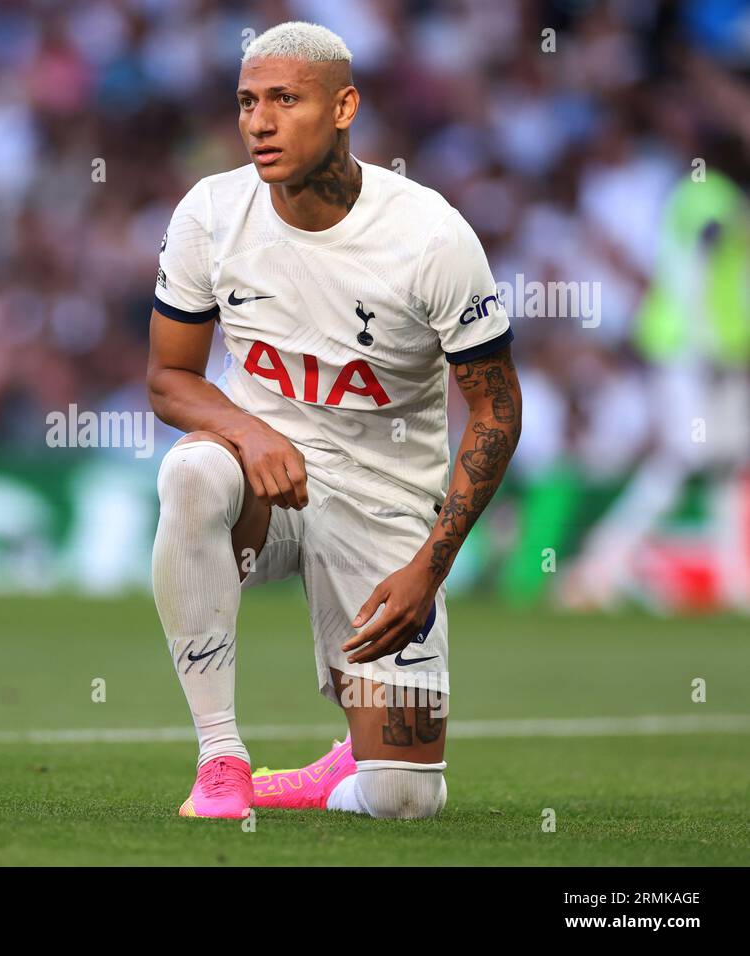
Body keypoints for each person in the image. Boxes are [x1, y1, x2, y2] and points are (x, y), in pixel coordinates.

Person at [146, 22, 521, 819]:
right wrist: (249, 431)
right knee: (189, 471)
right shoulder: (211, 213)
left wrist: (431, 564)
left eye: (287, 99)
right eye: (248, 101)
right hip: (263, 483)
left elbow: (497, 410)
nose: (260, 122)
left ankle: (345, 764)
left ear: (345, 105)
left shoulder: (429, 236)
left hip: (385, 506)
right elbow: (169, 378)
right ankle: (221, 758)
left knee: (405, 799)